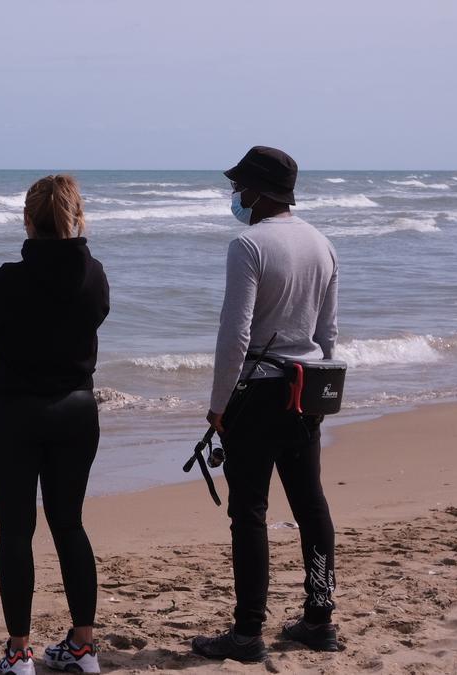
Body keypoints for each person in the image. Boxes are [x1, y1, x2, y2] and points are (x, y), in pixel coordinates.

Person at [191, 146, 341, 662]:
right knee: (311, 504)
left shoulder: (248, 245)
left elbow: (234, 336)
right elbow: (328, 333)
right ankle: (320, 618)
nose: (235, 195)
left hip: (257, 393)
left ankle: (247, 632)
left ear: (257, 192)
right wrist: (320, 396)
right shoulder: (322, 245)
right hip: (305, 390)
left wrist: (218, 405)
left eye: (239, 187)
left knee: (249, 513)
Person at [0, 174, 110, 674]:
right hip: (76, 410)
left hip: (15, 414)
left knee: (15, 531)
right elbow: (97, 315)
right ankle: (84, 647)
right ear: (77, 218)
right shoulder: (94, 275)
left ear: (27, 221)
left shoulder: (8, 279)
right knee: (69, 524)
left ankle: (19, 652)